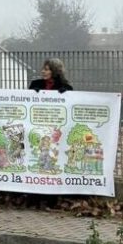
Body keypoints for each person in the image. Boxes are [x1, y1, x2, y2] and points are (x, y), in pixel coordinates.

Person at [26, 59, 73, 210]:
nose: (43, 72)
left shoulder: (65, 87)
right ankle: (34, 198)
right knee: (37, 163)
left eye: (47, 69)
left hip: (55, 132)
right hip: (38, 130)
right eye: (43, 69)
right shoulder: (35, 85)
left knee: (52, 164)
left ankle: (51, 199)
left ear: (55, 71)